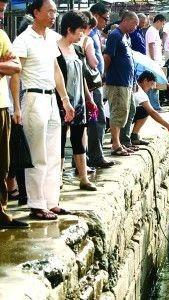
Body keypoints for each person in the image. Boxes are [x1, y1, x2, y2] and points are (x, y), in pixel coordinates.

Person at [11, 0, 75, 220]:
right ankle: (37, 204)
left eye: (55, 12)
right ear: (36, 12)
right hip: (33, 97)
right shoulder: (23, 40)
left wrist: (65, 100)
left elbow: (56, 69)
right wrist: (16, 107)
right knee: (38, 155)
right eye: (49, 11)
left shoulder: (52, 38)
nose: (53, 15)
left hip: (51, 99)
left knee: (54, 153)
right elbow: (16, 75)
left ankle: (51, 200)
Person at [57, 10, 97, 191]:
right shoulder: (55, 49)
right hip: (62, 101)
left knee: (78, 139)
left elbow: (81, 77)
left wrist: (89, 98)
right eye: (80, 29)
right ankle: (57, 179)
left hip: (79, 101)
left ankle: (84, 178)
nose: (82, 33)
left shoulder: (78, 49)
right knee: (59, 140)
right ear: (69, 29)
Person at [0, 26, 27, 228]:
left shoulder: (1, 35)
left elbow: (16, 66)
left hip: (1, 107)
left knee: (3, 163)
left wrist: (8, 63)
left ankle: (1, 212)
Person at [103, 10, 138, 156]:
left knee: (129, 110)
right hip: (117, 81)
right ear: (125, 20)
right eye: (134, 24)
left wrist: (134, 80)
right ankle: (115, 144)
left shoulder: (126, 37)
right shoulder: (115, 36)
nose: (135, 27)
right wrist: (104, 75)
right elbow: (107, 57)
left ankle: (122, 140)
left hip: (127, 81)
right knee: (118, 111)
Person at [88, 2, 114, 169]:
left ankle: (94, 155)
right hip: (91, 83)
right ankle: (95, 156)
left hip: (97, 80)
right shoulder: (89, 33)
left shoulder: (95, 33)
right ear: (96, 16)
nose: (106, 22)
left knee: (97, 120)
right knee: (96, 121)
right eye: (105, 19)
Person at [131, 71, 169, 145]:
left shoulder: (131, 84)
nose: (151, 88)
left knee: (139, 109)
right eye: (151, 84)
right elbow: (153, 113)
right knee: (145, 111)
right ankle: (133, 136)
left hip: (112, 117)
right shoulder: (139, 92)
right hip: (116, 118)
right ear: (145, 80)